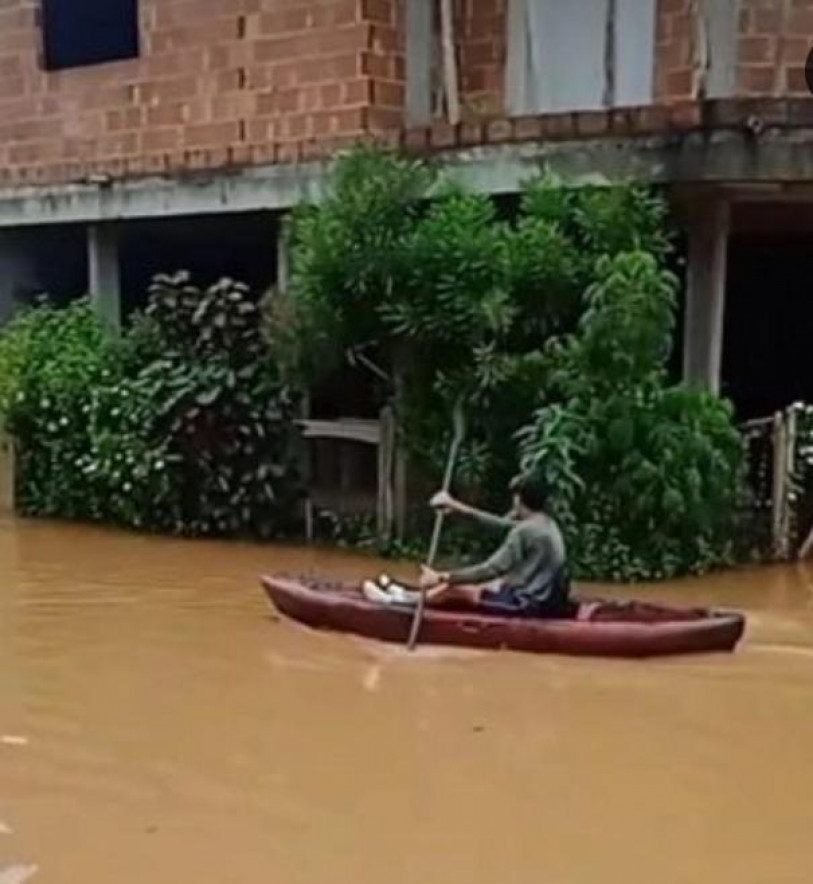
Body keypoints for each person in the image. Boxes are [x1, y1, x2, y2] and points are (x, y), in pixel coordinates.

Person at [363, 474, 571, 618]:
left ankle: (399, 604)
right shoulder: (544, 523)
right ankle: (407, 595)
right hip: (541, 599)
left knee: (457, 588)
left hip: (527, 604)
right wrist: (456, 507)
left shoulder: (525, 530)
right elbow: (500, 525)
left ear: (519, 500)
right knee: (485, 585)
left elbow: (490, 569)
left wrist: (443, 577)